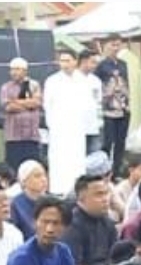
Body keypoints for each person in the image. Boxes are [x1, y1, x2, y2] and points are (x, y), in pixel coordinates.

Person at [43, 49, 89, 195]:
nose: (65, 64)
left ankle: (76, 189)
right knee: (59, 160)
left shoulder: (82, 80)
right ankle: (58, 190)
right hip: (59, 127)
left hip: (77, 127)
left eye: (68, 60)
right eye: (62, 61)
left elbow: (87, 104)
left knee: (77, 159)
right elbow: (47, 104)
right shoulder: (52, 81)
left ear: (75, 62)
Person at [61, 174, 116, 265]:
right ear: (81, 198)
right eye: (99, 195)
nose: (105, 199)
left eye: (106, 193)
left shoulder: (108, 223)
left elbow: (115, 258)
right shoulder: (72, 225)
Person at [95, 33, 130, 179]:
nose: (115, 48)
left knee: (121, 143)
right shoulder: (101, 65)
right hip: (108, 108)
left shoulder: (123, 64)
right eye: (112, 45)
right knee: (107, 143)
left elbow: (126, 83)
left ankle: (116, 172)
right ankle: (104, 172)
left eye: (118, 45)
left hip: (122, 107)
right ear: (105, 46)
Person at [0, 57, 42, 171]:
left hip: (31, 136)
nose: (14, 72)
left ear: (25, 71)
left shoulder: (34, 85)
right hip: (13, 136)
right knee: (13, 168)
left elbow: (36, 103)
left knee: (32, 168)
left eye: (17, 69)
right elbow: (8, 107)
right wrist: (27, 104)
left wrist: (16, 101)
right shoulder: (6, 87)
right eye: (12, 69)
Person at [7, 159, 47, 240]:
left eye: (44, 175)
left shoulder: (52, 201)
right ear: (24, 181)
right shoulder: (15, 204)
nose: (43, 179)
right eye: (37, 176)